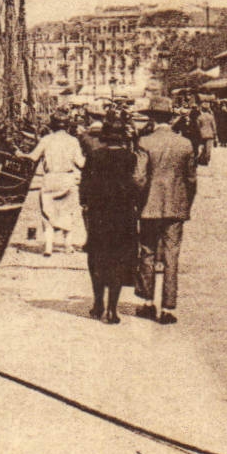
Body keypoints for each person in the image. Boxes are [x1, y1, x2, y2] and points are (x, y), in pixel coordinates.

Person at [132, 97, 197, 325]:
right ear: (171, 118)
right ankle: (168, 307)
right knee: (172, 256)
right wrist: (186, 204)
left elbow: (139, 178)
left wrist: (139, 202)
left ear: (152, 118)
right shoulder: (185, 144)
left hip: (149, 206)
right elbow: (191, 179)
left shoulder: (145, 142)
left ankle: (148, 302)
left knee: (147, 251)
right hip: (176, 206)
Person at [79, 115, 142, 323]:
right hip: (123, 215)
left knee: (96, 259)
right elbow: (135, 185)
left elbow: (85, 185)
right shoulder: (130, 157)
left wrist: (86, 203)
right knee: (118, 261)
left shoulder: (95, 156)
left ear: (105, 136)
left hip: (99, 215)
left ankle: (98, 304)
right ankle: (113, 310)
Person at [28, 114, 86, 256]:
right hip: (67, 178)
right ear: (67, 126)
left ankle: (48, 246)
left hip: (50, 178)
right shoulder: (73, 141)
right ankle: (67, 245)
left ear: (51, 126)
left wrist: (17, 153)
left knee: (47, 213)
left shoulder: (46, 140)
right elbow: (81, 163)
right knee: (68, 211)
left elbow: (33, 157)